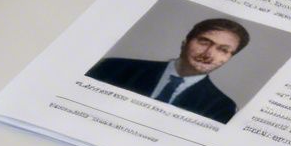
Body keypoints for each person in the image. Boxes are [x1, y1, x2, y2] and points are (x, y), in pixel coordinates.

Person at [87, 17, 250, 123]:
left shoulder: (222, 108)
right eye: (204, 42)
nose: (208, 54)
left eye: (223, 50)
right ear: (185, 42)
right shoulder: (112, 68)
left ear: (229, 58)